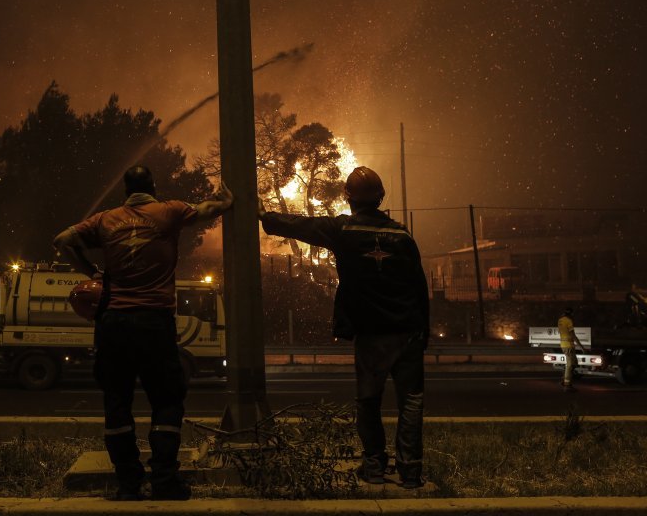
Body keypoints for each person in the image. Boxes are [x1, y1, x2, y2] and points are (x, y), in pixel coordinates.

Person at [53, 165, 233, 501]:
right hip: (154, 321)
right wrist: (223, 200)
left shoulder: (104, 220)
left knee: (117, 402)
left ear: (125, 190)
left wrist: (92, 271)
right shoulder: (169, 212)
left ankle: (128, 484)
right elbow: (210, 209)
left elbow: (62, 241)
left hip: (114, 323)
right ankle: (164, 480)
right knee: (166, 399)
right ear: (153, 186)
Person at [258, 166, 429, 489]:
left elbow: (302, 226)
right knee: (411, 401)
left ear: (348, 198)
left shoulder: (343, 230)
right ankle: (411, 472)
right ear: (381, 197)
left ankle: (374, 466)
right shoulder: (403, 235)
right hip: (408, 330)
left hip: (371, 333)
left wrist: (265, 216)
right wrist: (424, 332)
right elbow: (420, 287)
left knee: (368, 400)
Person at [558, 307, 586, 391]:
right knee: (570, 365)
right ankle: (567, 385)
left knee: (574, 363)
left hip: (563, 345)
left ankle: (564, 380)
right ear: (571, 313)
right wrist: (582, 347)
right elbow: (573, 335)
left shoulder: (560, 320)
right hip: (569, 346)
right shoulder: (569, 321)